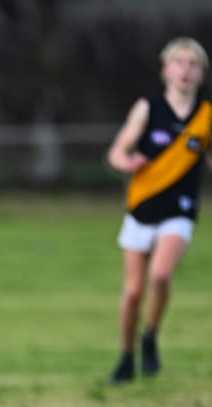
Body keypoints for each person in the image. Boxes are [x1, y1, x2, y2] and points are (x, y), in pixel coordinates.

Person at [106, 37, 212, 384]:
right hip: (142, 206)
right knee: (133, 292)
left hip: (180, 210)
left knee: (161, 275)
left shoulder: (206, 116)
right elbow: (118, 151)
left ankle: (150, 335)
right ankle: (126, 356)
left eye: (193, 64)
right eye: (179, 62)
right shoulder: (147, 109)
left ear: (201, 74)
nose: (186, 70)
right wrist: (127, 162)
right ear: (166, 70)